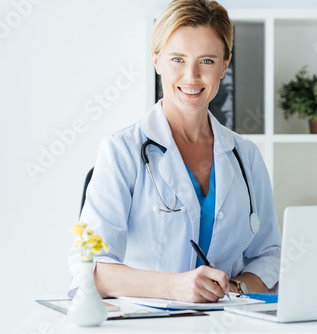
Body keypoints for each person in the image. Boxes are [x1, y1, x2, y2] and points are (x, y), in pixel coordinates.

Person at [68, 0, 281, 303]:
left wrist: (233, 289)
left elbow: (268, 255)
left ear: (225, 64)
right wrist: (176, 287)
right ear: (156, 60)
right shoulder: (121, 151)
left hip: (229, 321)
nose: (191, 76)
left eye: (206, 61)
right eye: (177, 59)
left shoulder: (245, 156)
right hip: (147, 323)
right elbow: (90, 267)